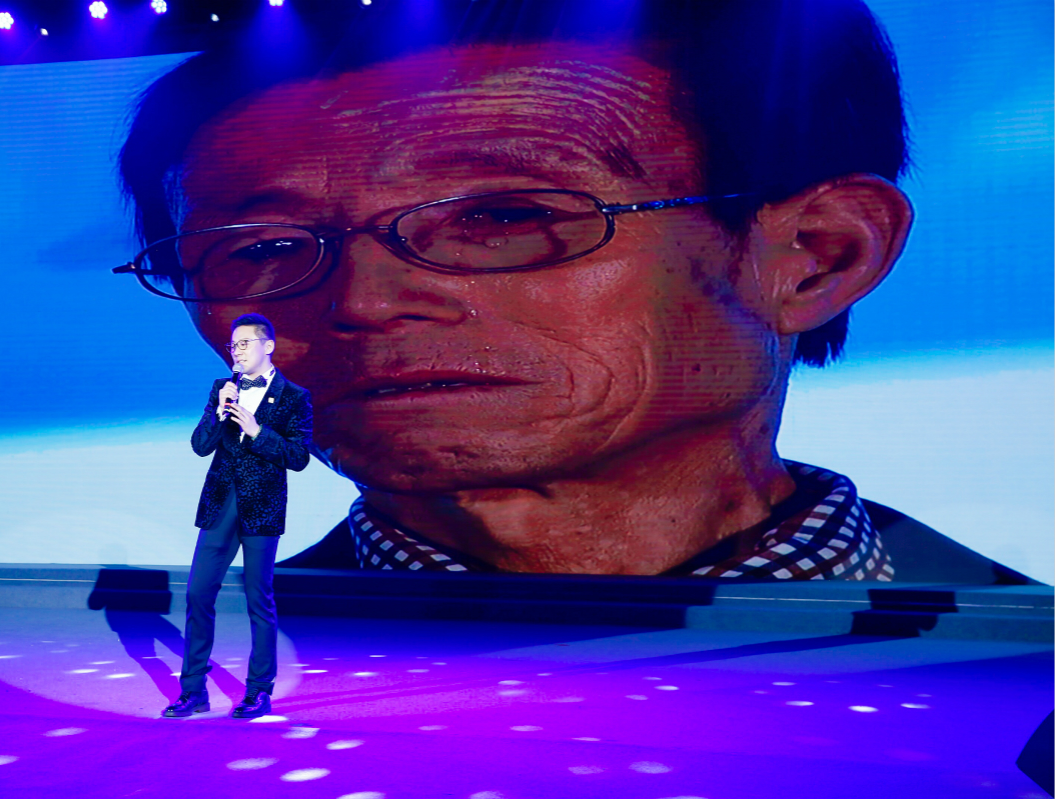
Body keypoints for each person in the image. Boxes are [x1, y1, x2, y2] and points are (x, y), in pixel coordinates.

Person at [117, 0, 1030, 584]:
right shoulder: (161, 702)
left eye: (500, 216)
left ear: (818, 256)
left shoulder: (1029, 679)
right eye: (264, 247)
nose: (363, 302)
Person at [162, 312, 313, 718]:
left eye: (245, 344)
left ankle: (258, 691)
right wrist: (220, 411)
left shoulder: (294, 396)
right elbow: (200, 446)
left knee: (258, 599)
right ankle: (193, 691)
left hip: (262, 507)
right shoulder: (221, 389)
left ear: (268, 346)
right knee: (198, 593)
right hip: (219, 504)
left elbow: (299, 457)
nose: (237, 351)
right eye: (234, 345)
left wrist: (258, 432)